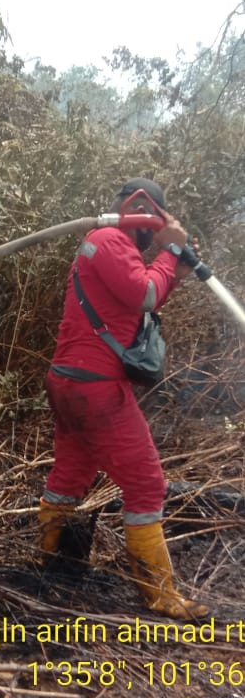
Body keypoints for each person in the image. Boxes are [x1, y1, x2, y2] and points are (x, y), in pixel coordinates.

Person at [38, 177, 209, 619]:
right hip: (95, 387)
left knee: (71, 474)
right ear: (140, 208)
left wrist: (176, 267)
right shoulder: (111, 238)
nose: (153, 235)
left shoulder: (103, 244)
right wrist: (171, 250)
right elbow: (145, 293)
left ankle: (46, 562)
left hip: (69, 381)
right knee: (147, 484)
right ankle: (159, 596)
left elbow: (139, 304)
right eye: (154, 225)